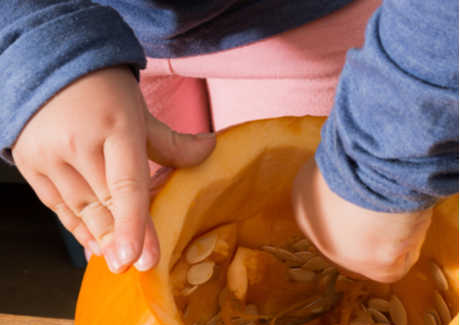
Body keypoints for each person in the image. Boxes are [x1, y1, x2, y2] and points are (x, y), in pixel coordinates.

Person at [0, 0, 457, 282]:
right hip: (79, 32)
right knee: (135, 254)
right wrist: (29, 45)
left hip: (328, 22)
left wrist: (384, 164)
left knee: (327, 242)